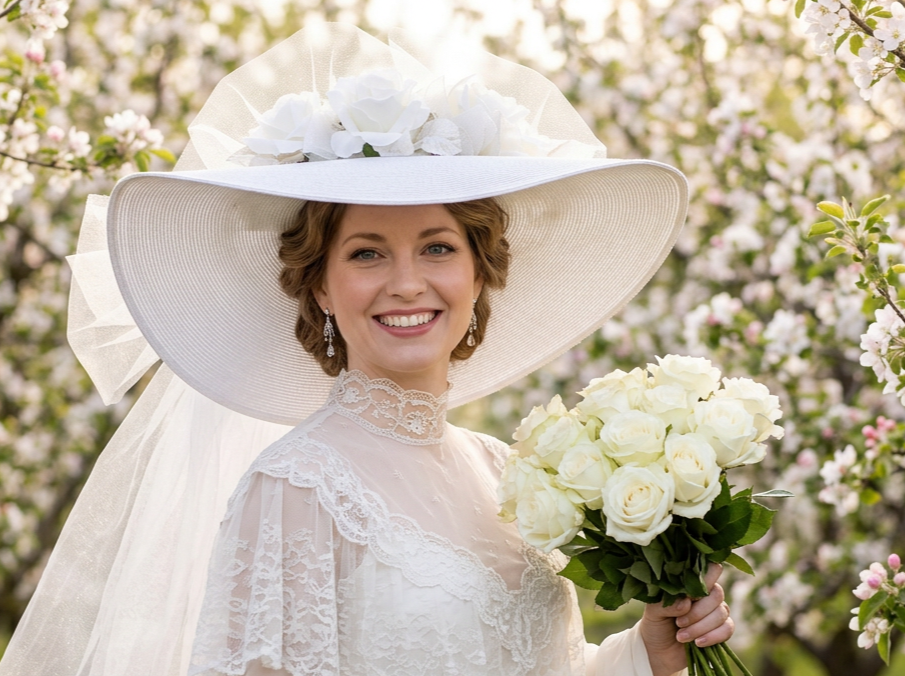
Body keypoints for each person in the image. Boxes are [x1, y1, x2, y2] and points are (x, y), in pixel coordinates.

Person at [0, 24, 732, 676]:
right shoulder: (294, 490)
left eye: (437, 247)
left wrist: (645, 653)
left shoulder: (509, 477)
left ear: (479, 274)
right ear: (319, 286)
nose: (407, 283)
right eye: (366, 254)